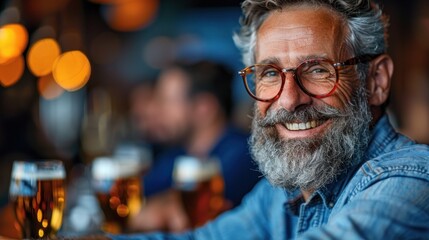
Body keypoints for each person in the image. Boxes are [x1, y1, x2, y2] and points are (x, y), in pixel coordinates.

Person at [111, 0, 429, 239]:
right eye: (270, 74)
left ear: (376, 81)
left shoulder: (412, 180)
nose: (289, 99)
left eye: (318, 70)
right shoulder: (280, 194)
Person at [129, 60, 261, 232]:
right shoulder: (177, 154)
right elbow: (138, 197)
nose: (156, 110)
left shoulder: (244, 154)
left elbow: (182, 212)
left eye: (167, 101)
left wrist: (164, 205)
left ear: (204, 109)